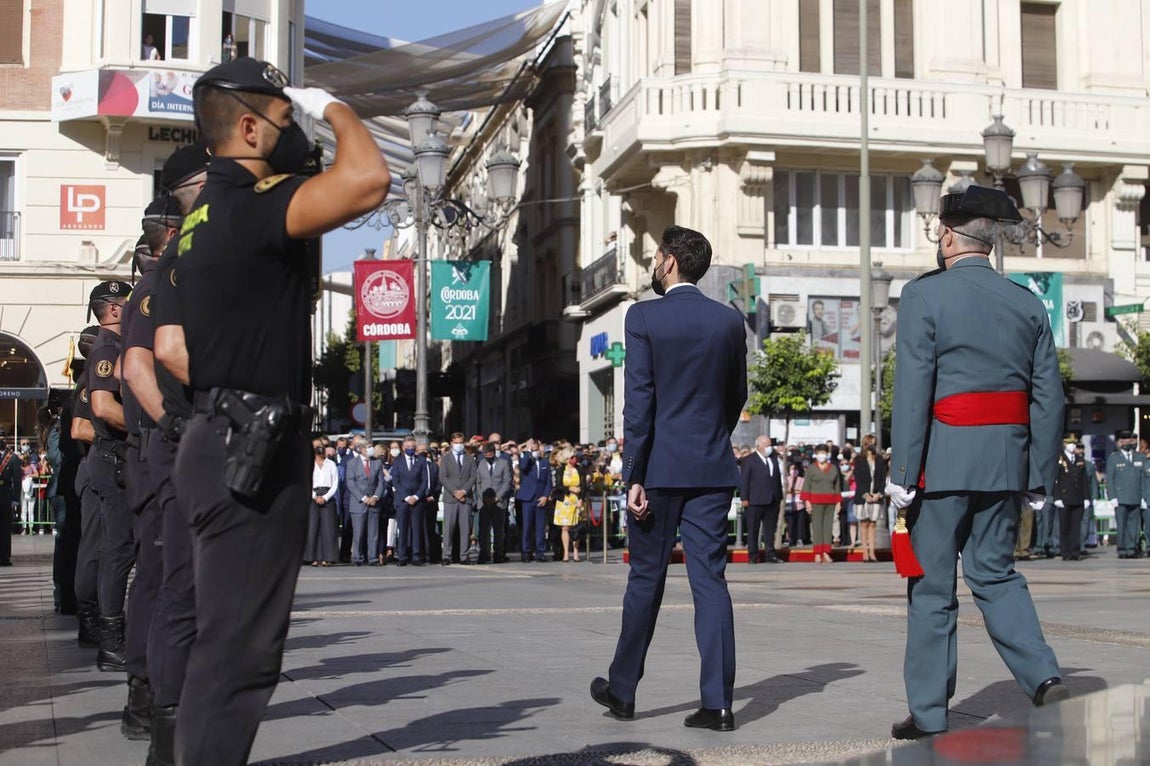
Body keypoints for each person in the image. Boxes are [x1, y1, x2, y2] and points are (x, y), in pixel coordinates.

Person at [154, 57, 390, 766]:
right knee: (241, 655)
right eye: (287, 122)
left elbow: (177, 347)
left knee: (221, 641)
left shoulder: (197, 224)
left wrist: (228, 392)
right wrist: (334, 106)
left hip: (217, 433)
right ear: (250, 127)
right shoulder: (249, 208)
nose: (299, 137)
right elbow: (369, 180)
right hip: (250, 444)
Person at [885, 185, 1069, 741]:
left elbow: (914, 389)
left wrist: (901, 476)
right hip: (1005, 464)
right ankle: (1042, 677)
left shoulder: (925, 296)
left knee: (933, 587)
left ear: (947, 237)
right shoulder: (1027, 301)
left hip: (942, 463)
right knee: (997, 575)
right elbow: (1049, 396)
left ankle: (930, 712)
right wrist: (1038, 471)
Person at [591, 225, 747, 732]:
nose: (654, 264)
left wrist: (632, 472)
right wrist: (710, 439)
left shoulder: (643, 316)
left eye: (657, 256)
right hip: (711, 466)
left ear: (670, 262)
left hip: (657, 469)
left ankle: (623, 689)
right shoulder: (728, 321)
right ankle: (718, 703)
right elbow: (735, 396)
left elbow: (640, 402)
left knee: (645, 578)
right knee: (711, 582)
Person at [136, 141, 210, 766]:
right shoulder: (178, 264)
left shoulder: (181, 262)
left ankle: (169, 720)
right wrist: (190, 419)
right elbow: (148, 361)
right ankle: (166, 725)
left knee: (178, 587)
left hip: (179, 438)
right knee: (179, 588)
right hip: (184, 439)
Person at [86, 279, 134, 673]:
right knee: (119, 550)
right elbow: (102, 406)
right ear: (115, 310)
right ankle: (112, 642)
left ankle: (116, 636)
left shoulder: (117, 346)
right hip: (114, 459)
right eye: (128, 301)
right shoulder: (107, 348)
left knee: (123, 549)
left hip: (117, 458)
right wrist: (141, 427)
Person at [739, 435, 784, 564]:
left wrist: (779, 496)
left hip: (772, 499)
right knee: (753, 529)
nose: (769, 447)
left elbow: (776, 479)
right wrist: (744, 498)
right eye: (766, 445)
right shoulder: (749, 460)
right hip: (755, 500)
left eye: (770, 445)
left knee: (770, 530)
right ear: (758, 446)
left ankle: (770, 554)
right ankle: (753, 555)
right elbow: (744, 481)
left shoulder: (774, 458)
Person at [1105, 429, 1146, 559]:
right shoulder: (1114, 458)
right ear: (1119, 443)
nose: (1128, 443)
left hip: (1136, 496)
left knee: (1134, 526)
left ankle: (1131, 548)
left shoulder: (1141, 457)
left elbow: (1144, 479)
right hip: (1121, 497)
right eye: (1125, 441)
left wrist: (1144, 496)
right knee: (1121, 525)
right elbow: (1110, 479)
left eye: (1130, 440)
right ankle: (1122, 549)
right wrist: (1112, 496)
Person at [343, 437, 383, 566]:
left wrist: (375, 497)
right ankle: (357, 557)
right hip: (358, 503)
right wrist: (364, 498)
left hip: (374, 502)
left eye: (371, 446)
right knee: (358, 533)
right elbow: (351, 483)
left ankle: (372, 557)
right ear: (361, 449)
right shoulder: (352, 463)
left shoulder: (377, 462)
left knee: (373, 533)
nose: (370, 449)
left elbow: (381, 482)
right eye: (367, 446)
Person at [438, 432, 476, 565]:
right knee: (448, 528)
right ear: (451, 443)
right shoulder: (446, 459)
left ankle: (464, 556)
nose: (459, 445)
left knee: (465, 529)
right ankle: (447, 555)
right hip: (451, 498)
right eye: (456, 442)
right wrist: (455, 492)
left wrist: (464, 491)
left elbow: (473, 477)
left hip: (466, 498)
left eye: (461, 442)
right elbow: (443, 477)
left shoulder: (470, 459)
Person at [1052, 433, 1090, 562]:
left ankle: (1075, 552)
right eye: (1070, 443)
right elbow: (1056, 480)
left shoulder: (1079, 459)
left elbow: (1083, 479)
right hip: (1064, 497)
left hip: (1077, 497)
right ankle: (1065, 552)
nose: (1072, 446)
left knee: (1076, 527)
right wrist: (1056, 497)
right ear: (1064, 444)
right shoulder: (1059, 459)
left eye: (1074, 443)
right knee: (1064, 527)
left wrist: (1086, 497)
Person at [390, 438, 428, 566]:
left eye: (412, 446)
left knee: (416, 529)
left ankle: (416, 555)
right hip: (402, 500)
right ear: (403, 448)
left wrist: (417, 496)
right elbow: (395, 480)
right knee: (403, 529)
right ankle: (402, 556)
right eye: (408, 446)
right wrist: (406, 497)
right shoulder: (397, 461)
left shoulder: (421, 461)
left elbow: (424, 481)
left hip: (417, 500)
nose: (410, 448)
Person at [801, 444, 841, 564]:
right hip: (815, 501)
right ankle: (817, 553)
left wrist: (839, 501)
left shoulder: (833, 468)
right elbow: (806, 485)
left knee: (828, 527)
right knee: (817, 527)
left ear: (827, 454)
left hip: (830, 501)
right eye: (819, 453)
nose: (821, 455)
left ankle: (826, 552)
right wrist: (807, 501)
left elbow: (837, 486)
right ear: (816, 454)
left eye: (823, 453)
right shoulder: (811, 468)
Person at [475, 441, 513, 563]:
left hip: (499, 503)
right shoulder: (480, 464)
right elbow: (478, 483)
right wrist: (483, 497)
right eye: (486, 455)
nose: (488, 457)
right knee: (483, 531)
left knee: (499, 531)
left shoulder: (503, 464)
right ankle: (483, 554)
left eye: (490, 454)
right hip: (484, 502)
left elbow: (507, 483)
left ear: (494, 453)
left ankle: (498, 555)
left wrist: (498, 497)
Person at [517, 438, 553, 562]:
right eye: (533, 449)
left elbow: (548, 481)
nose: (535, 451)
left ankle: (540, 552)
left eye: (536, 449)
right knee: (527, 527)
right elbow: (523, 467)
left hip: (540, 497)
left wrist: (546, 495)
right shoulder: (526, 459)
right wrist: (527, 452)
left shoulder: (544, 462)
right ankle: (526, 552)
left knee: (540, 527)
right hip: (528, 498)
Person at [852, 437, 885, 563]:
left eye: (874, 444)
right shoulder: (859, 459)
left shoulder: (879, 459)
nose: (872, 446)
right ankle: (865, 552)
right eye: (870, 443)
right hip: (863, 496)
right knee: (864, 523)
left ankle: (872, 551)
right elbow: (858, 478)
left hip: (876, 495)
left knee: (873, 523)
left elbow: (882, 477)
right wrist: (866, 494)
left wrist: (879, 493)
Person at [307, 441, 339, 566]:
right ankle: (312, 557)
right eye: (316, 447)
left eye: (321, 446)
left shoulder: (331, 464)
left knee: (328, 528)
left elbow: (335, 483)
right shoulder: (309, 464)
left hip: (327, 496)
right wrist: (314, 496)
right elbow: (307, 481)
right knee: (312, 527)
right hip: (313, 495)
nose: (319, 449)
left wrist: (325, 497)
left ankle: (328, 557)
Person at [553, 448, 586, 562]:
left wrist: (581, 498)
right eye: (572, 457)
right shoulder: (561, 470)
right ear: (567, 459)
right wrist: (570, 489)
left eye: (575, 457)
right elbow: (558, 486)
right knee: (565, 527)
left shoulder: (580, 470)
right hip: (565, 500)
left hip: (576, 501)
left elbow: (584, 486)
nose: (574, 459)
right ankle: (566, 553)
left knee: (576, 527)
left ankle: (576, 553)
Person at [0, 437, 19, 565]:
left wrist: (15, 499)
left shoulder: (12, 458)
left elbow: (17, 479)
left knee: (5, 528)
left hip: (5, 494)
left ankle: (5, 556)